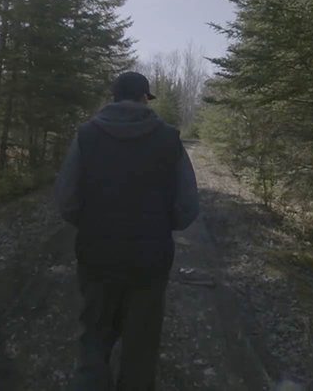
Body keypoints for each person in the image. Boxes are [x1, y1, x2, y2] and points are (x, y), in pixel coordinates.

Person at [55, 71, 200, 391]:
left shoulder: (86, 136)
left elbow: (66, 201)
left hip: (96, 257)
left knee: (94, 340)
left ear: (114, 97)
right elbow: (188, 207)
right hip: (150, 261)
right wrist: (160, 226)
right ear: (144, 98)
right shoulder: (169, 139)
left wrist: (93, 225)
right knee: (141, 349)